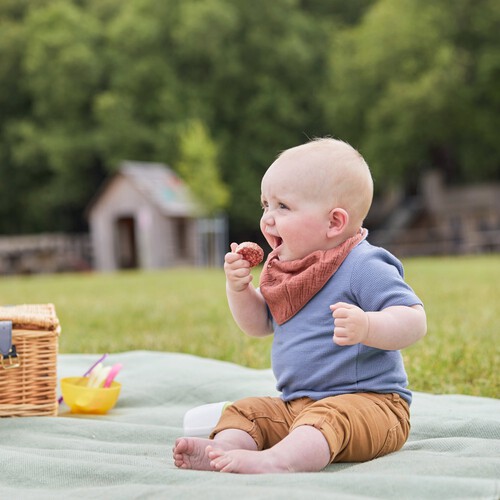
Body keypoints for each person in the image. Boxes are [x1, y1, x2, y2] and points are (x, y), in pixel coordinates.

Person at [173, 137, 427, 474]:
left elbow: (414, 319)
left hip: (372, 406)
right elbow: (259, 323)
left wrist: (368, 326)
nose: (267, 218)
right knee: (246, 411)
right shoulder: (285, 268)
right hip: (298, 406)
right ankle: (223, 449)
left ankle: (278, 461)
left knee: (325, 420)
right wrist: (239, 289)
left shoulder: (361, 264)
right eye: (265, 205)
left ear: (334, 222)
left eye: (283, 207)